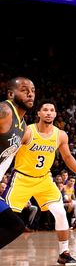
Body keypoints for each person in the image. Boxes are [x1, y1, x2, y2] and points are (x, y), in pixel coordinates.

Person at [1, 99, 76, 264]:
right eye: (45, 110)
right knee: (7, 217)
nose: (49, 112)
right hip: (21, 178)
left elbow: (67, 157)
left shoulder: (60, 135)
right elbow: (10, 154)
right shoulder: (27, 131)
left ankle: (64, 254)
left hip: (44, 180)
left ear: (55, 114)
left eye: (52, 110)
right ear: (39, 113)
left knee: (60, 212)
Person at [0, 77, 35, 249]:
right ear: (11, 94)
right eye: (24, 89)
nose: (30, 93)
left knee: (16, 226)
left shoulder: (24, 129)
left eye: (33, 90)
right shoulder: (4, 110)